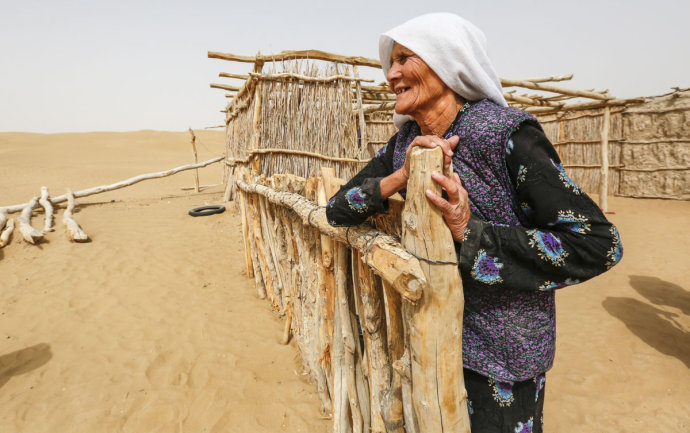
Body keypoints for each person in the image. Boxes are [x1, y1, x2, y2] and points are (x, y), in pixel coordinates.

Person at [326, 12, 623, 433]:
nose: (391, 73)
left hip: (501, 361)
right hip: (429, 345)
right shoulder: (404, 145)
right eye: (389, 62)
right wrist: (399, 178)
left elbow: (598, 243)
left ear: (446, 63)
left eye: (404, 58)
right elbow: (336, 208)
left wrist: (470, 232)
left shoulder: (503, 135)